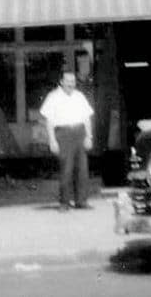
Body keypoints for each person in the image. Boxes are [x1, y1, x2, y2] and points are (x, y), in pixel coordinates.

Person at [39, 68, 94, 212]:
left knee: (82, 169)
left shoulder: (79, 96)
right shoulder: (53, 97)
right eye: (68, 81)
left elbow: (86, 118)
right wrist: (52, 140)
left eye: (73, 81)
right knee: (66, 169)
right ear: (61, 82)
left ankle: (81, 201)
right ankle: (64, 202)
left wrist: (89, 136)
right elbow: (49, 121)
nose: (71, 84)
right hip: (63, 134)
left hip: (79, 132)